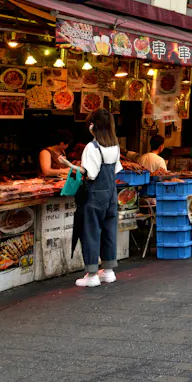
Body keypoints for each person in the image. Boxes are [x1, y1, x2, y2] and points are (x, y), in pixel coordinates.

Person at [72, 109, 122, 287]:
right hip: (111, 194)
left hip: (95, 195)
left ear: (92, 125)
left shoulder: (92, 147)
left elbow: (91, 174)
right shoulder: (114, 146)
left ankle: (92, 274)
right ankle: (108, 271)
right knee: (109, 230)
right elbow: (115, 169)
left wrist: (76, 168)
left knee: (91, 232)